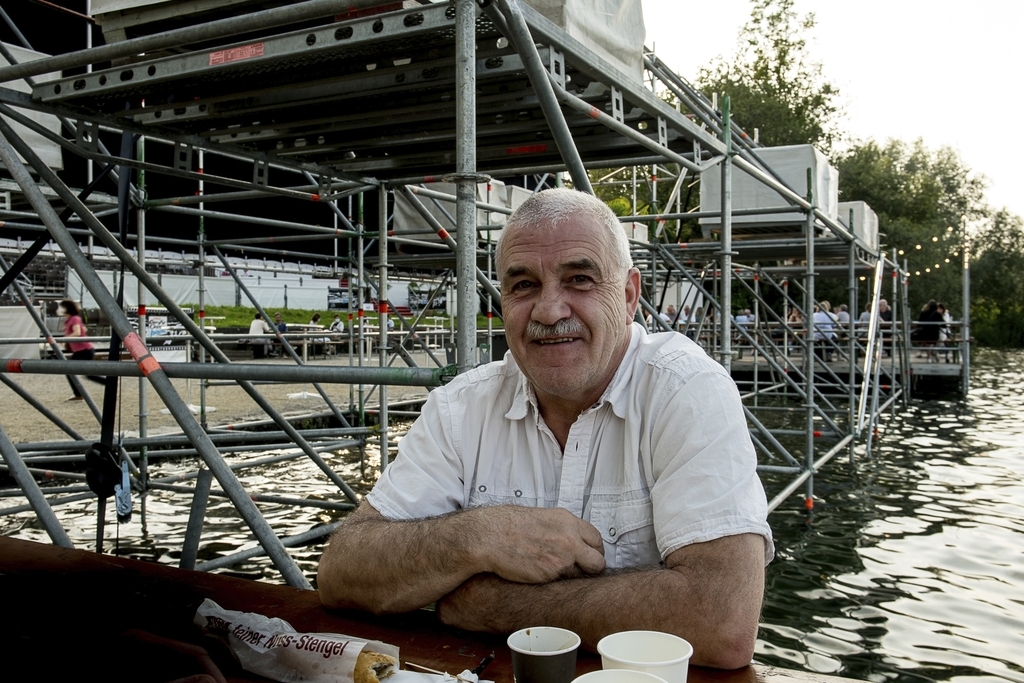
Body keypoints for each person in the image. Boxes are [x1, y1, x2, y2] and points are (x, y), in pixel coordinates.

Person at [317, 189, 772, 669]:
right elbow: (341, 572)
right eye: (523, 285)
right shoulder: (461, 406)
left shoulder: (684, 389)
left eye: (579, 279)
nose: (549, 310)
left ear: (629, 294)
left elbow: (722, 621)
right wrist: (480, 536)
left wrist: (492, 606)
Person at [59, 299, 104, 401]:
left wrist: (65, 338)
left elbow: (78, 332)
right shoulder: (71, 319)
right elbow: (84, 330)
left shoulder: (74, 319)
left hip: (84, 350)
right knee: (88, 374)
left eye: (62, 307)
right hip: (82, 350)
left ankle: (78, 394)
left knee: (70, 370)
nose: (59, 309)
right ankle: (109, 383)